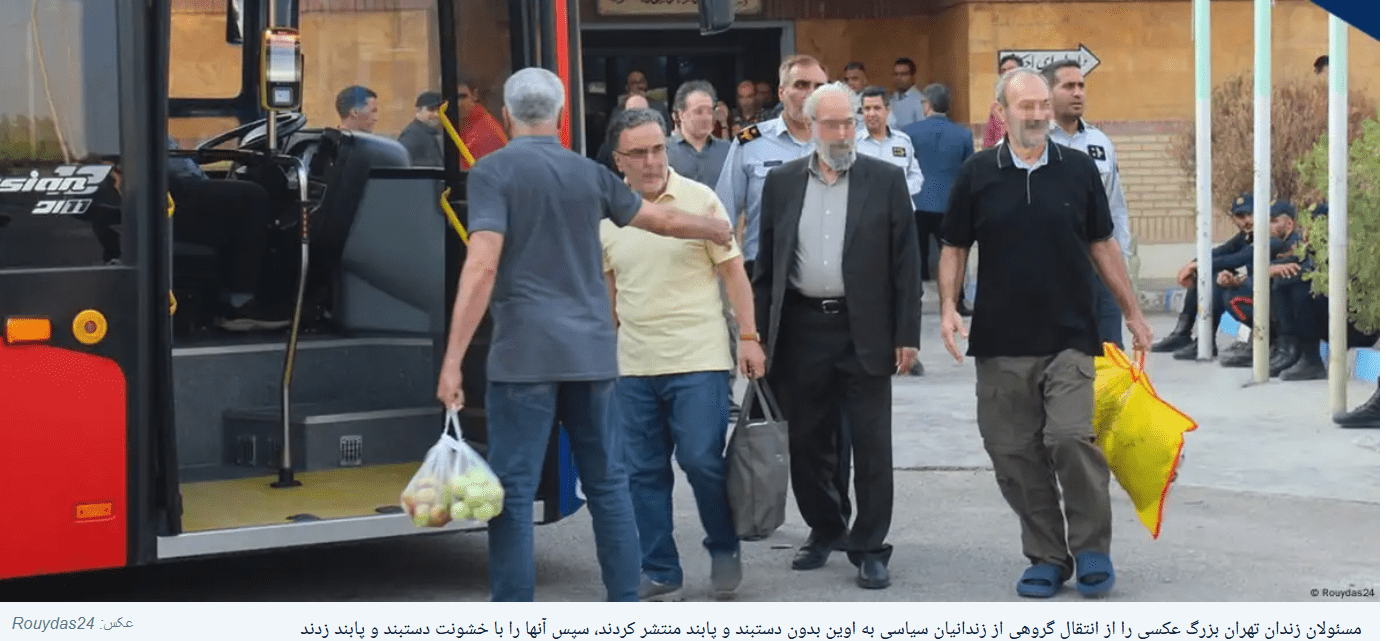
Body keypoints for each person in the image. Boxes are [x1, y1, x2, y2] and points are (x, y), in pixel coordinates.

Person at [433, 67, 734, 603]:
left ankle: (513, 613)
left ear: (505, 116)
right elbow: (660, 221)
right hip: (592, 356)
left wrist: (453, 359)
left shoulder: (491, 172)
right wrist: (712, 227)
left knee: (514, 493)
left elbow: (481, 266)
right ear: (561, 115)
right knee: (609, 485)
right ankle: (623, 604)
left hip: (523, 356)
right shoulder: (589, 174)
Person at [936, 67, 1154, 599]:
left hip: (1070, 335)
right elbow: (954, 246)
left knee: (1070, 438)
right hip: (1001, 340)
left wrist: (1132, 311)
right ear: (1001, 112)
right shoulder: (977, 173)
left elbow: (1103, 244)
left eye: (1041, 105)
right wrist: (948, 306)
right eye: (1025, 106)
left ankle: (1092, 548)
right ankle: (1048, 556)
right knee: (1012, 451)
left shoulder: (1078, 170)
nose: (1037, 115)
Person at [753, 81, 921, 591]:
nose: (845, 132)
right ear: (811, 127)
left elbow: (906, 264)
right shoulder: (781, 183)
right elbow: (767, 267)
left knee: (871, 446)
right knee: (806, 444)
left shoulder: (885, 179)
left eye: (849, 121)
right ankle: (827, 527)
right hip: (801, 330)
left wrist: (907, 334)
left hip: (864, 329)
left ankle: (869, 547)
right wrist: (756, 336)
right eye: (833, 124)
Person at [601, 107, 766, 601]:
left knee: (701, 460)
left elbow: (734, 274)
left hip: (699, 359)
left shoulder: (701, 201)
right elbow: (608, 293)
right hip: (634, 365)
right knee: (644, 472)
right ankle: (660, 568)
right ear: (618, 160)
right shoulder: (606, 216)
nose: (652, 161)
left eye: (658, 149)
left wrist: (749, 336)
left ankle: (724, 547)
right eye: (639, 153)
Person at [1042, 59, 1132, 348]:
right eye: (1068, 86)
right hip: (1050, 271)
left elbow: (1115, 205)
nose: (1078, 93)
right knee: (1059, 355)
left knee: (1110, 354)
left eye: (1081, 86)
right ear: (1048, 92)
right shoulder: (1031, 142)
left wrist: (1121, 259)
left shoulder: (1100, 142)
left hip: (1100, 268)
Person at [715, 54, 828, 279]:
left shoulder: (841, 143)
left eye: (819, 87)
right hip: (765, 270)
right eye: (801, 85)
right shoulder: (750, 143)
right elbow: (723, 212)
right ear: (781, 92)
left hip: (827, 272)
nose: (811, 94)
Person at [665, 81, 740, 414]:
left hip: (721, 252)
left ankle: (725, 392)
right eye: (698, 111)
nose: (706, 117)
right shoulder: (665, 152)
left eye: (710, 111)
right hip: (674, 253)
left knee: (725, 321)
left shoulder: (730, 151)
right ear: (679, 115)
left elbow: (741, 203)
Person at [167, 137, 287, 331]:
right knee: (252, 197)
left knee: (236, 201)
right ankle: (239, 303)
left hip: (176, 190)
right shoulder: (141, 129)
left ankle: (228, 298)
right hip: (169, 198)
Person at [902, 83, 974, 313]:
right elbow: (968, 171)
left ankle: (911, 303)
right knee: (953, 255)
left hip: (916, 201)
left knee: (914, 256)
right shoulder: (963, 134)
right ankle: (957, 301)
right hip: (949, 204)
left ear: (928, 105)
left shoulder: (909, 132)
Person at [982, 55, 1022, 148]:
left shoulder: (1033, 100)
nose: (1007, 73)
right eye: (1003, 71)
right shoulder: (996, 106)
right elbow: (989, 139)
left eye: (1011, 69)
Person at [398, 91, 444, 167]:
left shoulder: (433, 132)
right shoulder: (412, 135)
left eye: (440, 110)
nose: (436, 114)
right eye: (431, 109)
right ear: (418, 110)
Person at [888, 57, 925, 128]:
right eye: (896, 74)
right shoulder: (890, 100)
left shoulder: (920, 101)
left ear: (913, 76)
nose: (898, 78)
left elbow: (922, 130)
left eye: (903, 74)